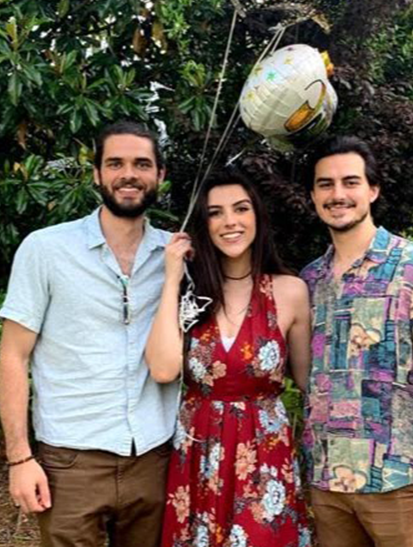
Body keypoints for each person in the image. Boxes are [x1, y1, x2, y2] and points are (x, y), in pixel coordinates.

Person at [0, 121, 176, 547]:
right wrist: (19, 458)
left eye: (141, 164)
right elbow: (13, 356)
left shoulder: (176, 254)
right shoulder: (45, 249)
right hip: (71, 462)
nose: (128, 174)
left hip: (155, 456)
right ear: (96, 173)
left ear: (160, 176)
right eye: (115, 163)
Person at [300, 136, 413, 547]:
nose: (338, 194)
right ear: (313, 195)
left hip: (399, 480)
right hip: (326, 482)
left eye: (350, 182)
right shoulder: (309, 280)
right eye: (325, 184)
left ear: (372, 190)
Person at [145, 167, 312, 547]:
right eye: (215, 213)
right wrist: (172, 277)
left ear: (258, 216)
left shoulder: (290, 292)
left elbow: (308, 383)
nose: (230, 222)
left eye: (241, 208)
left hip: (265, 452)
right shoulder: (190, 293)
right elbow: (163, 368)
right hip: (198, 452)